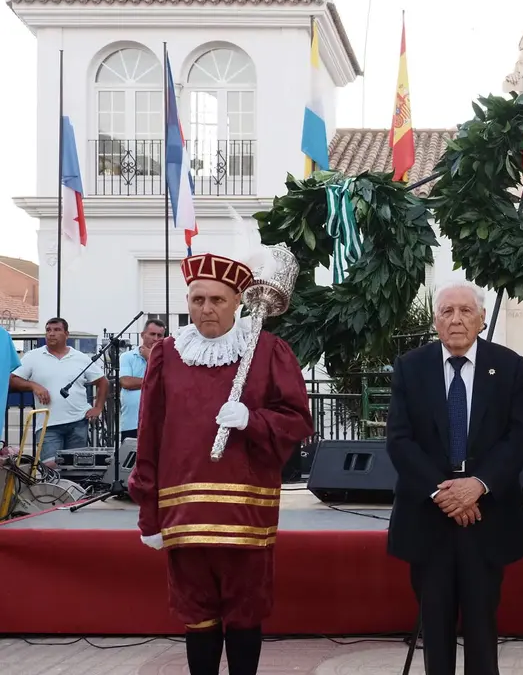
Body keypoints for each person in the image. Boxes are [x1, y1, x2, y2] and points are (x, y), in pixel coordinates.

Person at [127, 249, 313, 675]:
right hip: (183, 510)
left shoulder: (267, 350)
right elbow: (150, 433)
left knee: (245, 611)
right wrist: (148, 514)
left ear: (237, 302)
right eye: (197, 300)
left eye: (217, 300)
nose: (206, 309)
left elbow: (298, 420)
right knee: (197, 614)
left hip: (245, 510)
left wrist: (252, 419)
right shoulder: (169, 353)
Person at [385, 280, 523, 675]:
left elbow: (519, 438)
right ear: (435, 321)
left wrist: (477, 487)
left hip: (488, 517)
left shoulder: (508, 365)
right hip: (428, 517)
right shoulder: (410, 367)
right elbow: (399, 440)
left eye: (466, 311)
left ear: (482, 319)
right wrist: (443, 492)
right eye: (447, 312)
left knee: (483, 626)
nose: (456, 320)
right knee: (434, 627)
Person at [9, 317, 108, 466]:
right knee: (51, 470)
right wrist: (34, 386)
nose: (51, 334)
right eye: (48, 330)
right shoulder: (33, 357)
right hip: (48, 425)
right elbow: (12, 379)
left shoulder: (80, 357)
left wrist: (98, 407)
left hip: (78, 422)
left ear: (66, 334)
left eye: (57, 330)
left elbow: (103, 382)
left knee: (76, 469)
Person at [118, 319, 166, 440]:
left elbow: (168, 383)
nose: (155, 339)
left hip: (157, 423)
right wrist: (155, 381)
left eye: (159, 335)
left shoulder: (167, 359)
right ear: (143, 335)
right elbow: (126, 382)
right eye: (152, 334)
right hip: (132, 422)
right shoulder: (127, 356)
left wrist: (151, 358)